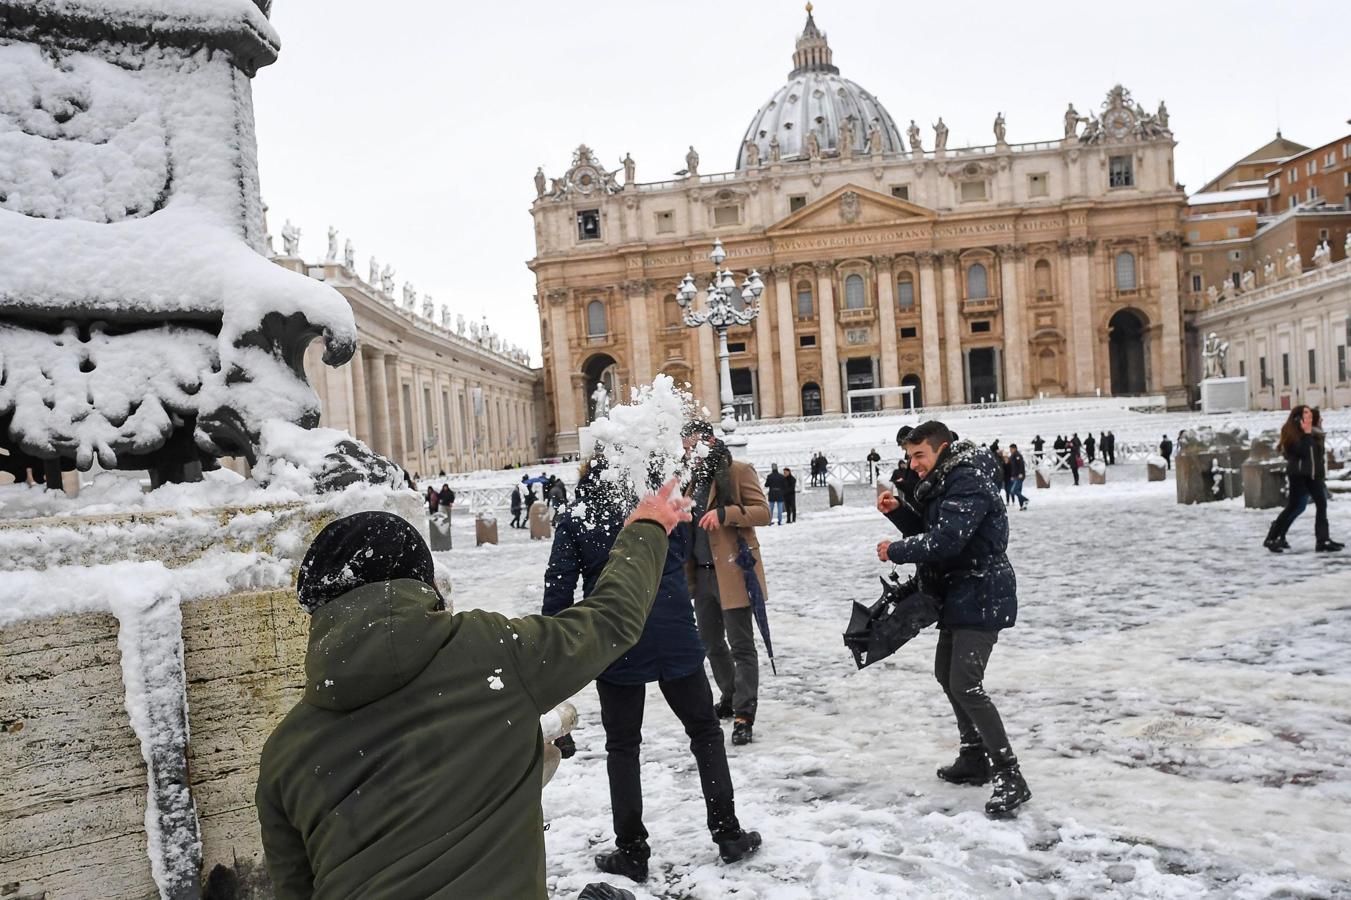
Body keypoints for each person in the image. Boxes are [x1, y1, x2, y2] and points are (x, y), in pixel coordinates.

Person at [255, 486, 690, 899]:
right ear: (423, 584)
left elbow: (296, 889)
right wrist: (648, 525)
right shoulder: (490, 651)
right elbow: (612, 619)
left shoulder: (283, 754)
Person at [543, 459, 761, 883]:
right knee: (705, 733)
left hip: (616, 635)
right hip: (675, 631)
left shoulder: (577, 516)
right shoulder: (661, 506)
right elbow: (681, 557)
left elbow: (558, 591)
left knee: (623, 747)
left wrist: (559, 659)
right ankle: (728, 833)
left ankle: (632, 851)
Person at [874, 421, 1029, 817]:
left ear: (943, 447)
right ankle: (973, 755)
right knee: (946, 673)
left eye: (919, 455)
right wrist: (901, 515)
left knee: (966, 682)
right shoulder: (946, 478)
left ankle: (1010, 774)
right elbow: (936, 530)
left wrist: (896, 550)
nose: (914, 465)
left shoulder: (968, 479)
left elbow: (947, 541)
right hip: (959, 589)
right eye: (909, 457)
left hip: (983, 589)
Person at [682, 420, 771, 746]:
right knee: (710, 643)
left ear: (711, 441)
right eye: (687, 449)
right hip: (702, 574)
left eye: (695, 447)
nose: (691, 454)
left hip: (734, 572)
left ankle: (745, 713)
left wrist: (726, 515)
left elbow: (762, 512)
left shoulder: (738, 471)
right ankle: (731, 694)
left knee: (741, 645)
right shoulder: (690, 482)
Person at [1264, 406, 1343, 553]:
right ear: (1298, 416)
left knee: (1321, 505)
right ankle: (1272, 537)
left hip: (1313, 476)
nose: (1310, 414)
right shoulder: (1293, 432)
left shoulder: (1312, 433)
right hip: (1299, 475)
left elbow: (1315, 457)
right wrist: (1306, 434)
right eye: (1306, 412)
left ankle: (1322, 541)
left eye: (1310, 412)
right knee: (1293, 507)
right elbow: (1300, 452)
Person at [1007, 444, 1028, 511]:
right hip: (1015, 476)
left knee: (1014, 491)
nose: (1010, 451)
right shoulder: (1012, 456)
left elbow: (1021, 465)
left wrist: (1021, 473)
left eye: (1011, 449)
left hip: (1019, 476)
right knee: (1018, 491)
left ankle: (1025, 500)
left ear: (1014, 449)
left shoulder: (1017, 455)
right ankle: (1022, 506)